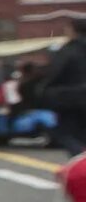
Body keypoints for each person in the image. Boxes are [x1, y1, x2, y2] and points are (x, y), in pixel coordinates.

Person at [26, 14, 86, 152]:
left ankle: (81, 162)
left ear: (72, 30)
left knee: (66, 134)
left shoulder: (67, 51)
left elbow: (54, 75)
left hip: (71, 100)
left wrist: (42, 91)